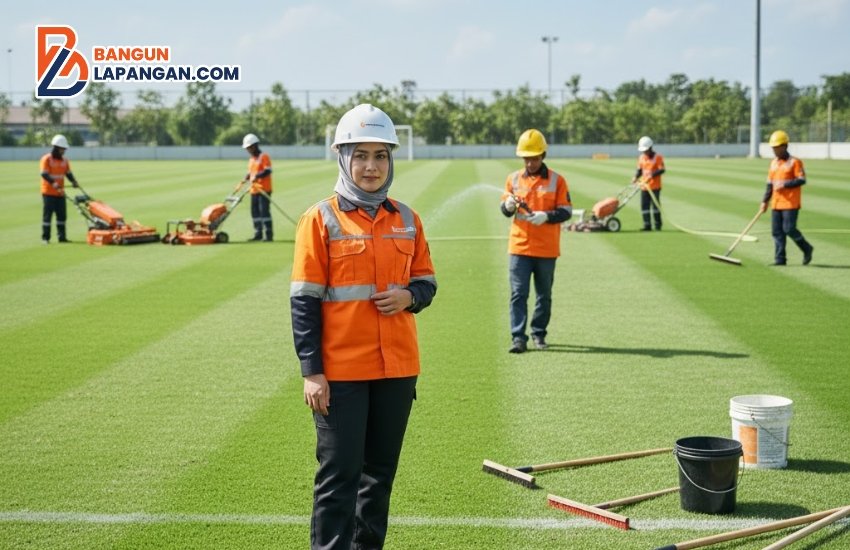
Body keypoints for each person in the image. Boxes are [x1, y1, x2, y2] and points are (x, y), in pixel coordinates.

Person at [290, 104, 437, 550]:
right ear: (342, 158)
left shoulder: (408, 219)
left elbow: (427, 282)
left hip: (397, 370)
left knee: (378, 479)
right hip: (341, 374)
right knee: (339, 478)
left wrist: (409, 297)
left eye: (380, 156)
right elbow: (303, 301)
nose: (371, 166)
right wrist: (312, 372)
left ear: (391, 160)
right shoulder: (320, 219)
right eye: (361, 156)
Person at [500, 129, 572, 354]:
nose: (530, 163)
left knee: (544, 295)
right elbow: (505, 209)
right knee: (518, 294)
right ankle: (518, 338)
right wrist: (508, 206)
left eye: (534, 158)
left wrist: (546, 216)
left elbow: (566, 211)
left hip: (546, 248)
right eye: (526, 158)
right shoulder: (513, 179)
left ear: (543, 155)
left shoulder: (557, 181)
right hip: (519, 246)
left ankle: (539, 333)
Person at [759, 130, 813, 266]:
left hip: (790, 203)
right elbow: (770, 184)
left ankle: (807, 248)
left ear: (785, 146)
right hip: (776, 203)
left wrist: (785, 184)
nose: (775, 150)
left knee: (789, 229)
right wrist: (764, 201)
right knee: (777, 232)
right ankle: (780, 259)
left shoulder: (795, 162)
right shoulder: (773, 163)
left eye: (777, 147)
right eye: (773, 148)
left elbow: (801, 179)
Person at [39, 134, 79, 244]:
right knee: (47, 216)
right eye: (62, 149)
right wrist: (54, 183)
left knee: (62, 216)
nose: (64, 151)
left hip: (60, 192)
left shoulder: (65, 160)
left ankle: (62, 237)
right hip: (48, 192)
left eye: (64, 149)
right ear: (56, 148)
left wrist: (74, 181)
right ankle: (45, 238)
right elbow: (44, 174)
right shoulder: (46, 159)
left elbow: (68, 173)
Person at [242, 133, 273, 241]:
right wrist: (246, 178)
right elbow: (251, 172)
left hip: (264, 189)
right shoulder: (252, 159)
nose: (248, 150)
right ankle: (258, 233)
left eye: (249, 148)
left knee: (264, 212)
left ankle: (268, 234)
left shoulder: (264, 156)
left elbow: (268, 170)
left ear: (254, 146)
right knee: (254, 212)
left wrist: (257, 176)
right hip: (254, 190)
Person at [631, 136, 666, 231]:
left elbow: (662, 169)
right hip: (644, 186)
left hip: (655, 186)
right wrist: (635, 177)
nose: (644, 152)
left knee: (655, 206)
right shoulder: (641, 158)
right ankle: (647, 225)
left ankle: (658, 225)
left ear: (650, 148)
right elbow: (639, 170)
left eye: (646, 150)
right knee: (644, 206)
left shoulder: (658, 157)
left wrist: (652, 175)